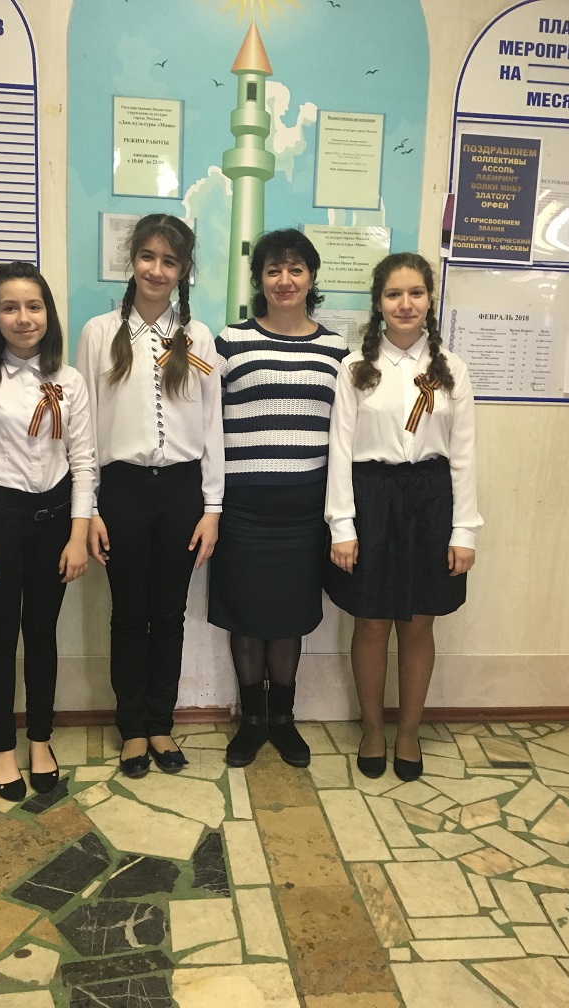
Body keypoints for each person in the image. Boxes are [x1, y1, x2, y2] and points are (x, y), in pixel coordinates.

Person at [75, 214, 224, 778]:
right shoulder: (98, 333)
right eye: (147, 256)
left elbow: (212, 426)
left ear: (183, 270)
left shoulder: (197, 338)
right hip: (122, 492)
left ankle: (161, 723)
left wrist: (212, 508)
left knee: (169, 614)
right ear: (132, 260)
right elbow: (83, 430)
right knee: (128, 614)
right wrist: (89, 509)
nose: (156, 270)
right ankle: (132, 728)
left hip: (182, 492)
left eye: (169, 260)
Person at [324, 252, 482, 782]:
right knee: (370, 621)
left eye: (416, 293)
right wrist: (342, 526)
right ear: (379, 302)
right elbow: (340, 452)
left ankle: (409, 731)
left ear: (429, 300)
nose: (405, 304)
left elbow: (464, 455)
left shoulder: (450, 369)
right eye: (394, 294)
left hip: (432, 499)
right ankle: (372, 728)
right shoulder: (355, 368)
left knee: (418, 623)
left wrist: (464, 531)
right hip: (371, 497)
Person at [0, 261, 95, 802]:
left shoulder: (70, 380)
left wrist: (77, 536)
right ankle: (3, 747)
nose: (23, 317)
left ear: (48, 314)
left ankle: (40, 740)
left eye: (34, 306)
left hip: (54, 522)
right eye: (9, 307)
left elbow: (84, 462)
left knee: (42, 635)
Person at [209, 229, 348, 769]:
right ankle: (251, 721)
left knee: (289, 618)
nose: (284, 280)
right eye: (273, 270)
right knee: (246, 617)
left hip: (304, 512)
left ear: (311, 278)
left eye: (295, 269)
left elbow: (345, 433)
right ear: (259, 280)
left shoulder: (337, 350)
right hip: (242, 509)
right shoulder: (230, 342)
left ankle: (283, 720)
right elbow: (205, 421)